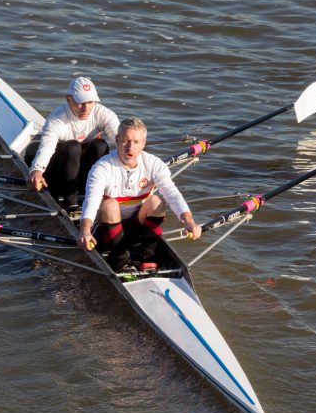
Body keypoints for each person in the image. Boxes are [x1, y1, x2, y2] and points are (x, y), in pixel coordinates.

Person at [78, 117, 202, 271]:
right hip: (105, 230)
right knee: (110, 205)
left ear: (144, 143)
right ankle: (119, 258)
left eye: (136, 142)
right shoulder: (102, 167)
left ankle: (144, 256)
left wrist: (189, 221)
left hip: (135, 226)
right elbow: (91, 200)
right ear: (117, 140)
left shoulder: (154, 164)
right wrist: (84, 230)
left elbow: (172, 194)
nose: (130, 147)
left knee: (156, 201)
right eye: (125, 141)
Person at [28, 77, 120, 208]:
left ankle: (90, 193)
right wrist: (36, 170)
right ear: (68, 99)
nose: (86, 108)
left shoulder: (103, 113)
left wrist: (137, 166)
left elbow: (120, 141)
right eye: (80, 102)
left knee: (100, 145)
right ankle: (70, 201)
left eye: (90, 102)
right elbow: (46, 147)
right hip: (58, 173)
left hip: (82, 171)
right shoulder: (57, 119)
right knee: (73, 147)